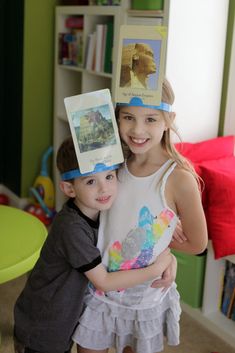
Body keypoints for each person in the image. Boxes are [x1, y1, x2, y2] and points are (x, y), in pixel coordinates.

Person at [72, 78, 208, 353]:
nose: (137, 129)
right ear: (117, 117)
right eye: (128, 118)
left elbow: (197, 243)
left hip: (144, 297)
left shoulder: (178, 179)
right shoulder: (111, 163)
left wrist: (164, 250)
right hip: (99, 289)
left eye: (150, 119)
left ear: (169, 119)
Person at [13, 136, 175, 353]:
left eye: (109, 176)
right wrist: (155, 269)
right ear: (69, 189)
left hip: (67, 315)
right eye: (91, 181)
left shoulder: (101, 211)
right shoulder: (71, 228)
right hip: (44, 324)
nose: (104, 189)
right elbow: (104, 281)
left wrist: (169, 254)